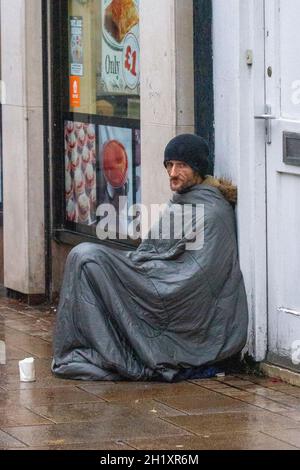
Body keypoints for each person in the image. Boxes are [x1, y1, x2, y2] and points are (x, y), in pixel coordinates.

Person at [52, 134, 248, 382]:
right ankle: (92, 346)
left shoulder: (211, 213)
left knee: (88, 258)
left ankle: (111, 350)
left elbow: (196, 277)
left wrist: (135, 272)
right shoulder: (183, 202)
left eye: (182, 166)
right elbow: (150, 250)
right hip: (154, 276)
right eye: (169, 165)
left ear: (198, 170)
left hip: (175, 296)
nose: (172, 173)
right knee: (83, 257)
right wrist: (132, 267)